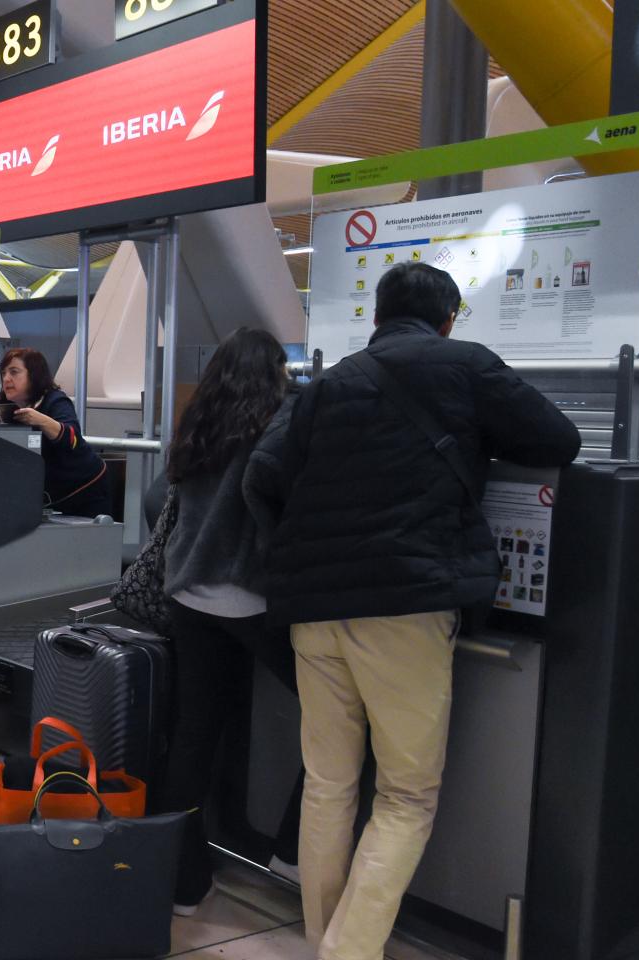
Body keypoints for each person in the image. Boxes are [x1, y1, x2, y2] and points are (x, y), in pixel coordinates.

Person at [246, 263, 581, 960]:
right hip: (405, 604)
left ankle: (326, 941)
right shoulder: (466, 365)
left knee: (330, 785)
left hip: (313, 604)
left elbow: (266, 475)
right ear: (449, 317)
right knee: (406, 797)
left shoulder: (331, 381)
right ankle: (348, 950)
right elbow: (558, 440)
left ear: (377, 315)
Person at [142, 328, 303, 915]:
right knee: (340, 713)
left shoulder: (198, 423)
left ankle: (182, 882)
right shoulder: (277, 426)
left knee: (193, 737)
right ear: (273, 373)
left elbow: (162, 498)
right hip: (251, 600)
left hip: (190, 596)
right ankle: (291, 850)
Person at [0, 348, 110, 517]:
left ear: (34, 375)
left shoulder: (55, 400)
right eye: (3, 373)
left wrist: (39, 420)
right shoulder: (2, 401)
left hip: (85, 490)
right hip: (48, 495)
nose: (6, 379)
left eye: (14, 372)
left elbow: (73, 439)